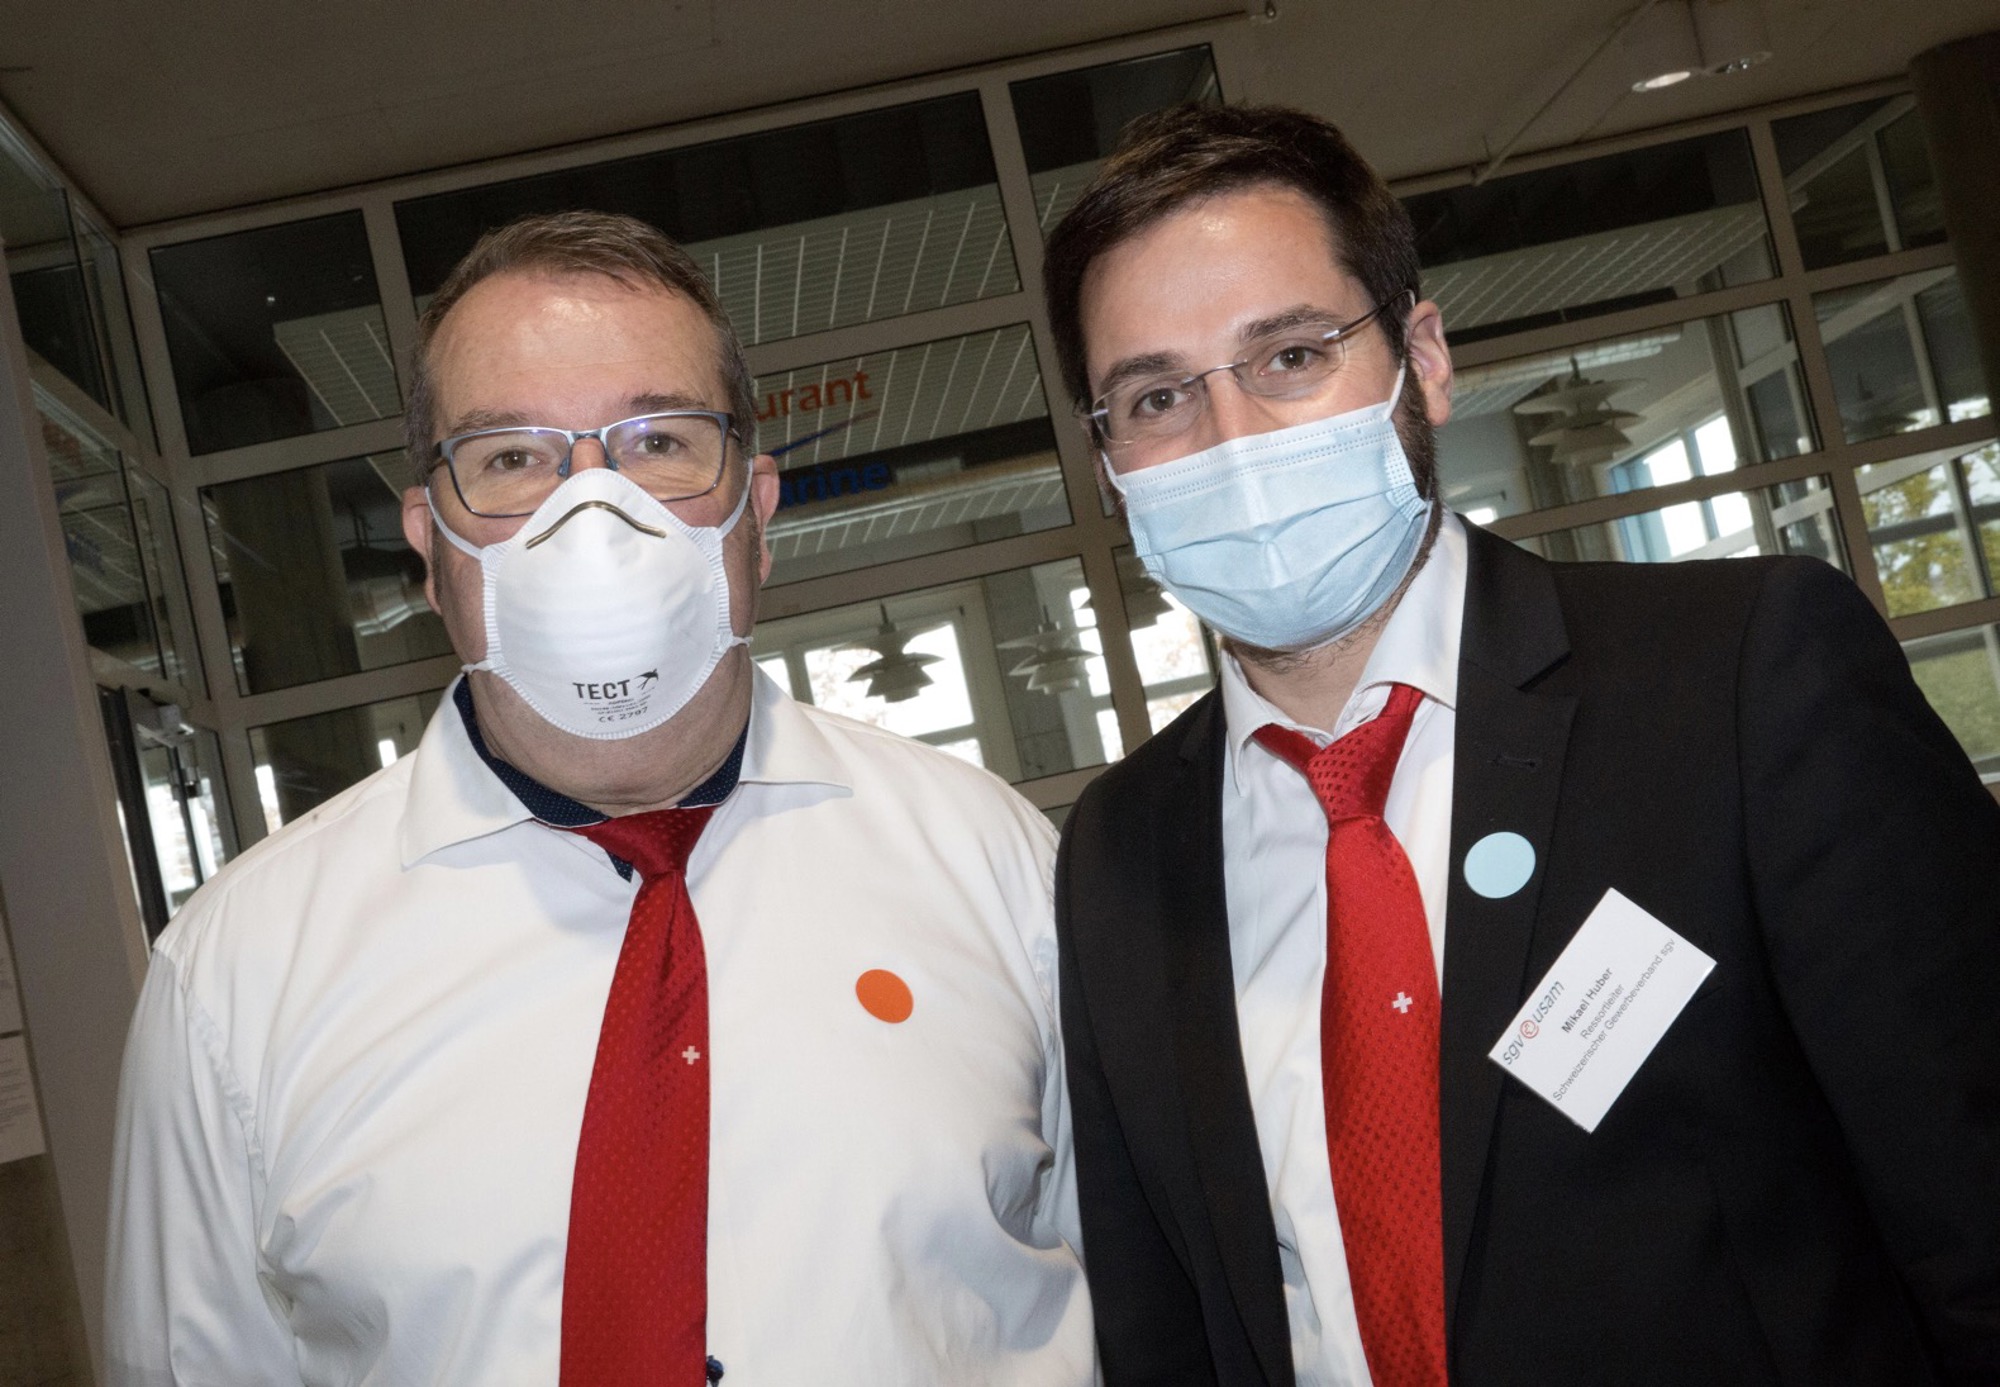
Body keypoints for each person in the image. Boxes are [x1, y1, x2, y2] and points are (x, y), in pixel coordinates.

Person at [1043, 103, 2000, 1386]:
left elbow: (1970, 1191)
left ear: (1422, 359)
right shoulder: (1120, 850)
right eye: (1156, 396)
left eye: (1289, 356)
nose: (1233, 441)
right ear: (1108, 464)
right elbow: (1167, 1324)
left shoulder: (1737, 680)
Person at [106, 211, 1094, 1386]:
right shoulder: (237, 978)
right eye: (511, 459)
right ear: (428, 543)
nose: (592, 513)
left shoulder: (990, 865)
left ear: (756, 515)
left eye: (658, 442)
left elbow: (1140, 1293)